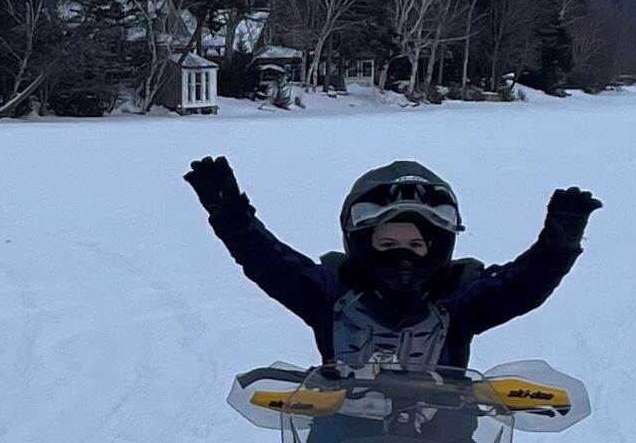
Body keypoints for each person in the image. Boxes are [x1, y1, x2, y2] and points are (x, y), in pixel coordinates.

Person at [184, 156, 598, 371]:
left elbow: (521, 286)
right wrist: (232, 218)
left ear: (437, 247)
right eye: (387, 242)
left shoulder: (459, 299)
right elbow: (269, 263)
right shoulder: (331, 293)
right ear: (362, 243)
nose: (402, 253)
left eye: (415, 244)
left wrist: (556, 247)